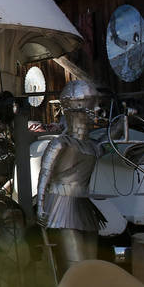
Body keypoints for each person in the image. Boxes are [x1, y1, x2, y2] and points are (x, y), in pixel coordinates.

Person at [35, 80, 105, 274]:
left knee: (91, 266)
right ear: (78, 107)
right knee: (76, 266)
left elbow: (106, 144)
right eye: (92, 103)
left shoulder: (92, 146)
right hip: (61, 205)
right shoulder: (60, 144)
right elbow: (45, 174)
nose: (97, 109)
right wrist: (40, 205)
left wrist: (122, 124)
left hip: (83, 204)